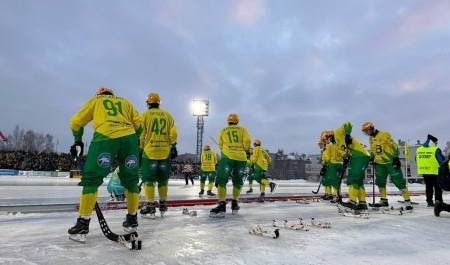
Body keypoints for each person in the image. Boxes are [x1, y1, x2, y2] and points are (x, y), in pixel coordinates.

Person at [68, 87, 142, 242]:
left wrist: (78, 140)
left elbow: (76, 121)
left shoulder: (97, 100)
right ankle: (132, 220)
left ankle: (82, 224)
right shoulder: (125, 102)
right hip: (129, 138)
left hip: (105, 137)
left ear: (99, 95)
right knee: (131, 181)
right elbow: (139, 125)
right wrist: (135, 141)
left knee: (91, 179)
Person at [139, 93, 178, 218]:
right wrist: (173, 146)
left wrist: (139, 149)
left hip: (149, 152)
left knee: (149, 180)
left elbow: (141, 134)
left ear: (148, 103)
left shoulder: (144, 115)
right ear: (159, 103)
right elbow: (173, 132)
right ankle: (162, 203)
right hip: (165, 153)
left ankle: (150, 206)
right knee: (162, 180)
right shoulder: (167, 115)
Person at [361, 122, 413, 210]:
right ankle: (384, 200)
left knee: (398, 181)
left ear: (371, 128)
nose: (366, 133)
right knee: (380, 182)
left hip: (390, 162)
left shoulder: (384, 134)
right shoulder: (371, 139)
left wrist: (396, 157)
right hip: (379, 164)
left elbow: (394, 146)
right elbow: (373, 150)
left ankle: (408, 201)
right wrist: (372, 158)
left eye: (367, 131)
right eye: (365, 131)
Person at [210, 113, 251, 217]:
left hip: (228, 157)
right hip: (241, 158)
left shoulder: (223, 130)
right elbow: (247, 141)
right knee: (238, 181)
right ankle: (235, 203)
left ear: (228, 121)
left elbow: (220, 144)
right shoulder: (242, 129)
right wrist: (245, 149)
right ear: (237, 121)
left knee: (221, 180)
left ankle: (222, 205)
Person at [333, 121, 370, 211]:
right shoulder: (336, 146)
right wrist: (345, 159)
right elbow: (345, 154)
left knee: (352, 178)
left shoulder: (338, 133)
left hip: (359, 155)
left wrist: (347, 135)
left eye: (326, 140)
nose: (327, 142)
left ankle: (352, 202)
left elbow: (348, 124)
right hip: (357, 157)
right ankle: (362, 203)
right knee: (358, 181)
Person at [416, 134, 444, 207]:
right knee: (438, 188)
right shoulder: (435, 149)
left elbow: (416, 159)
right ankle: (438, 202)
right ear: (433, 143)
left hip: (424, 171)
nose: (436, 144)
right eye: (436, 143)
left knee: (428, 187)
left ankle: (429, 202)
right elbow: (441, 161)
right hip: (435, 172)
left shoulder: (419, 149)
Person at [321, 131, 343, 203]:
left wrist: (324, 165)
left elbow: (327, 158)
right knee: (337, 181)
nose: (326, 141)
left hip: (332, 164)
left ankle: (337, 196)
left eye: (326, 139)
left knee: (333, 181)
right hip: (340, 164)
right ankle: (338, 196)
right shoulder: (338, 144)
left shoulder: (329, 146)